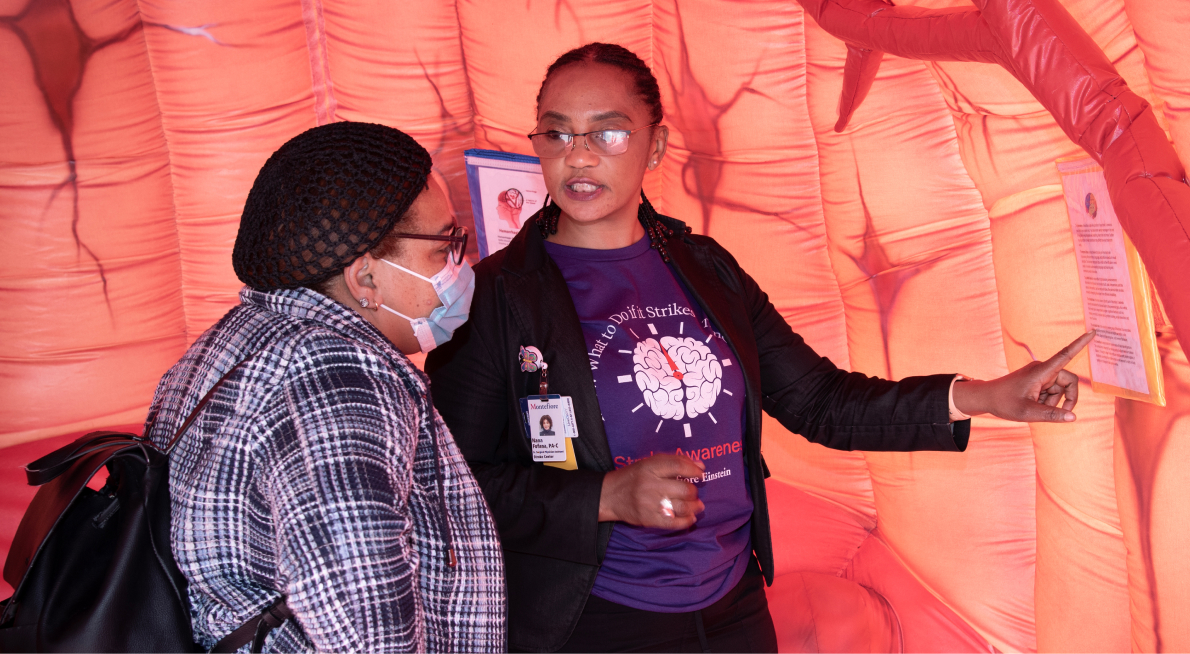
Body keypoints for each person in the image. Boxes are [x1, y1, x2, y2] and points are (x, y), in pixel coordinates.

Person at [426, 43, 1093, 653]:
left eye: (607, 131)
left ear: (654, 146)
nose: (578, 154)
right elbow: (449, 485)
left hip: (733, 605)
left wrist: (985, 396)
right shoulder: (495, 298)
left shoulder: (706, 267)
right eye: (557, 132)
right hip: (592, 619)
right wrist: (603, 497)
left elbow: (822, 402)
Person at [145, 122, 506, 652]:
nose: (460, 266)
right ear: (364, 278)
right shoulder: (338, 380)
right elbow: (367, 630)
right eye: (442, 247)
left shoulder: (230, 340)